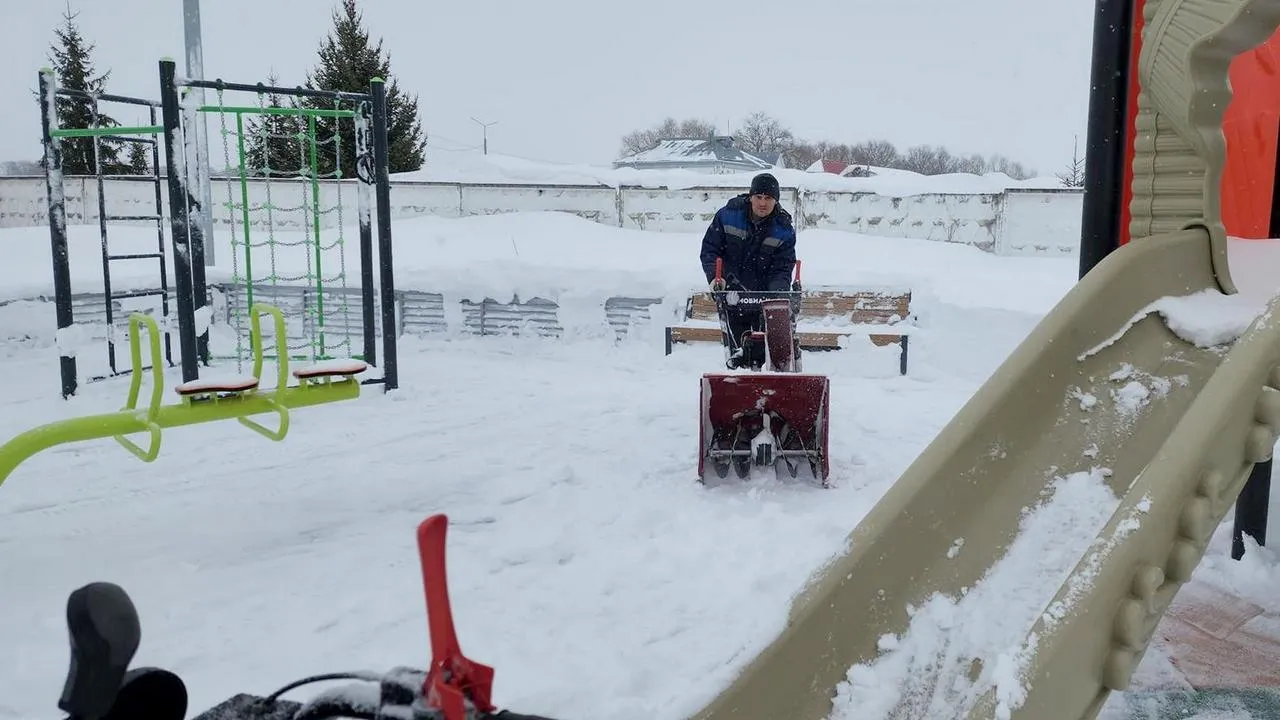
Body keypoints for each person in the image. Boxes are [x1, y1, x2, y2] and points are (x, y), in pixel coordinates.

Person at [698, 172, 798, 366]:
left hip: (765, 299)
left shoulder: (783, 230)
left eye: (768, 198)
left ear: (776, 201)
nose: (762, 203)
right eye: (758, 197)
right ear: (750, 196)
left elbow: (783, 267)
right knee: (738, 352)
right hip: (732, 294)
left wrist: (776, 294)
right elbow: (710, 250)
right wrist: (714, 277)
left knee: (767, 350)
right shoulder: (728, 216)